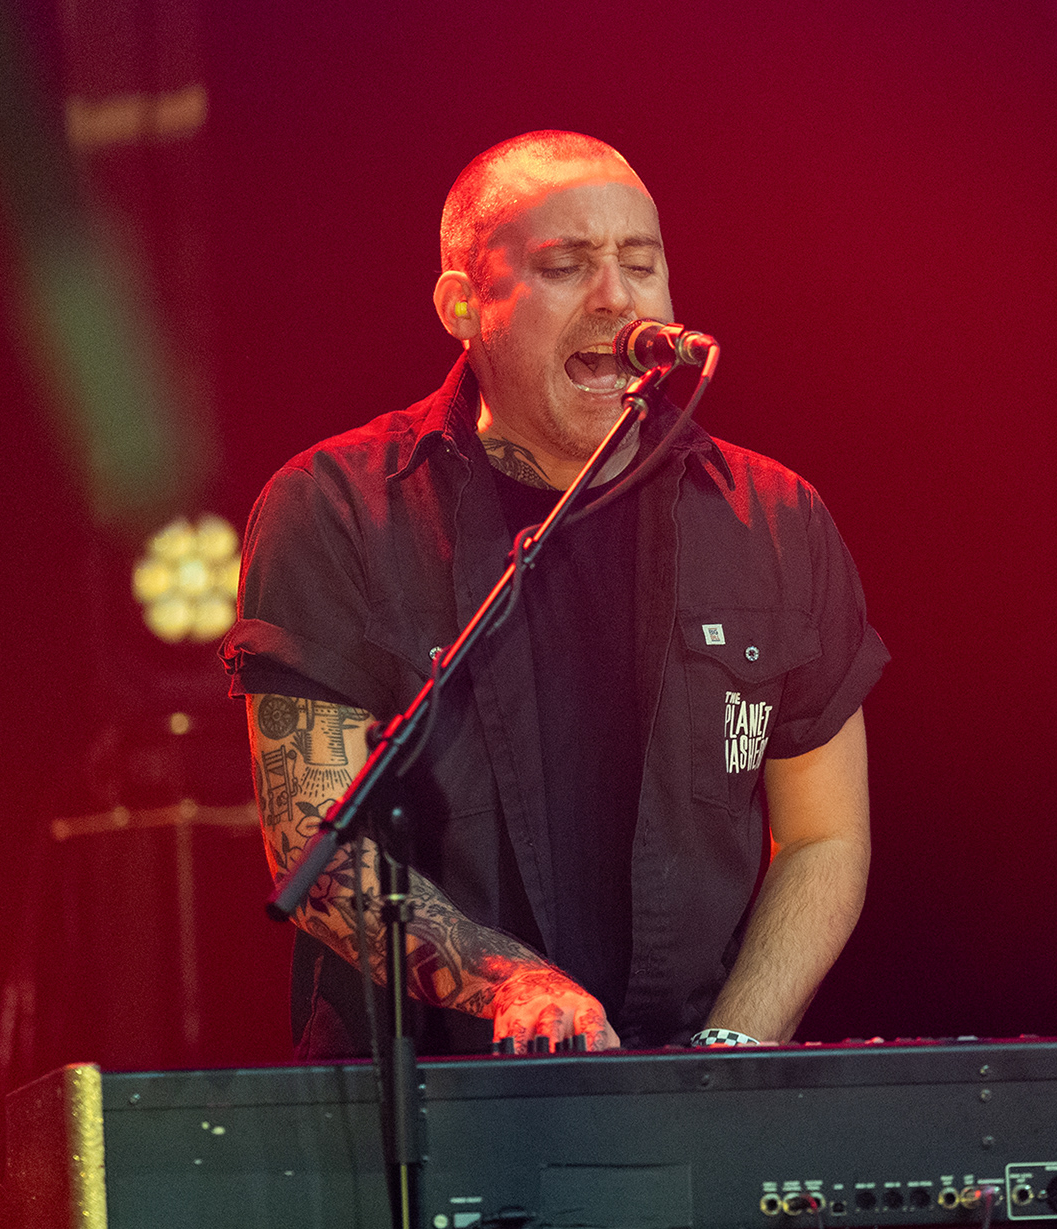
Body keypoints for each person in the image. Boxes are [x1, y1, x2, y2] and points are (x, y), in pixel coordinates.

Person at [221, 131, 887, 1058]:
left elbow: (824, 837)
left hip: (687, 1097)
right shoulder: (336, 510)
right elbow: (313, 843)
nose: (617, 297)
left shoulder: (774, 518)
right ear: (463, 306)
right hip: (424, 1109)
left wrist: (726, 1059)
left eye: (641, 264)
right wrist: (512, 985)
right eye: (566, 266)